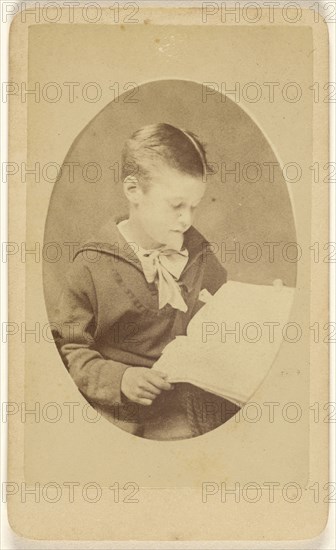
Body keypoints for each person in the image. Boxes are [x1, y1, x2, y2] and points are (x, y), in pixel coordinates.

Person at [54, 123, 239, 440]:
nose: (186, 220)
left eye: (193, 207)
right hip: (121, 413)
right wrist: (120, 379)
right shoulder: (91, 265)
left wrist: (254, 309)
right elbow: (68, 350)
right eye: (176, 205)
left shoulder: (198, 255)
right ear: (133, 190)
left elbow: (222, 317)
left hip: (190, 401)